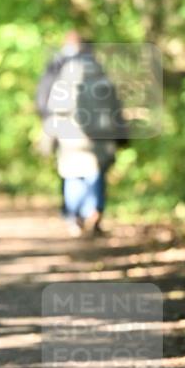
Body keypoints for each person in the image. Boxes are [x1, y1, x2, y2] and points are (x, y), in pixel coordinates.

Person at [35, 31, 126, 236]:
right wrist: (121, 134)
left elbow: (55, 110)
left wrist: (49, 136)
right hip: (100, 136)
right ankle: (94, 212)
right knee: (96, 173)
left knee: (72, 175)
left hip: (70, 135)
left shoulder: (63, 79)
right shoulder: (104, 78)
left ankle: (74, 217)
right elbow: (116, 109)